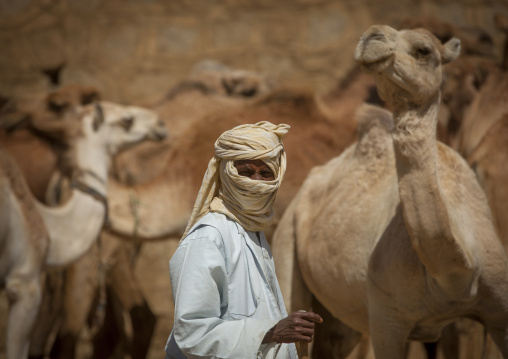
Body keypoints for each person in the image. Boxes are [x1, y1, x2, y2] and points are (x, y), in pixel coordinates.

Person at [165, 121, 323, 359]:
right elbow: (192, 334)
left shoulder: (253, 231)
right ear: (226, 173)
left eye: (266, 173)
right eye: (246, 172)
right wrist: (271, 332)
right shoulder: (208, 237)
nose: (257, 181)